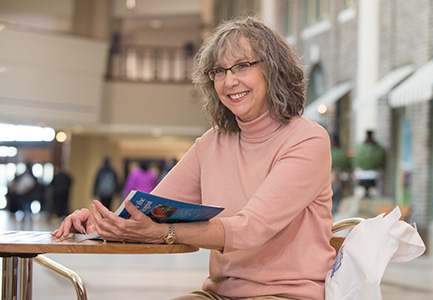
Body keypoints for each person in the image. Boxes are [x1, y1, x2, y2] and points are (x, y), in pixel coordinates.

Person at [53, 16, 335, 300]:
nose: (229, 81)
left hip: (289, 294)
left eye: (242, 66)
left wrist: (166, 232)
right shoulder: (212, 142)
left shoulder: (307, 139)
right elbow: (150, 212)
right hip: (220, 293)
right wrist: (100, 224)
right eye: (219, 71)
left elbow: (252, 228)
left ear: (273, 68)